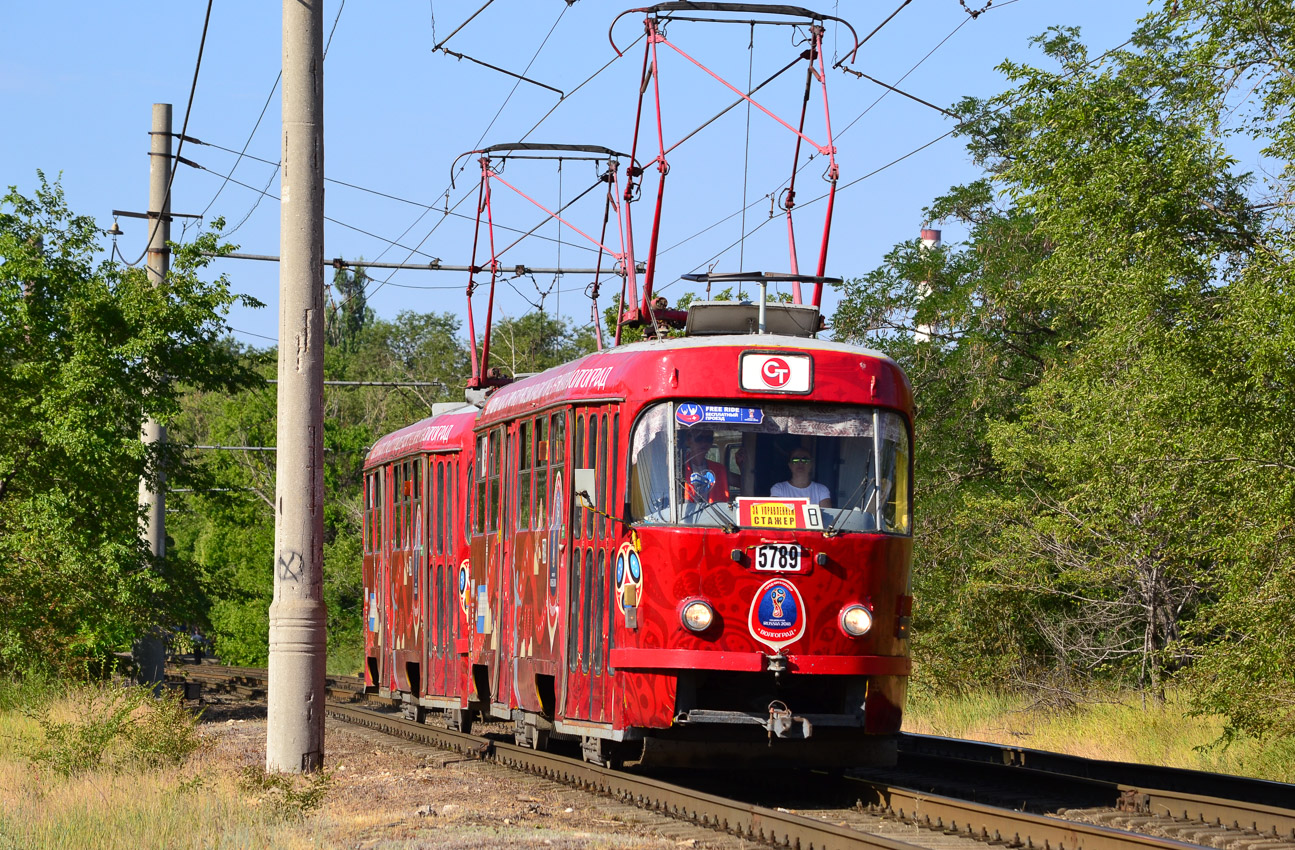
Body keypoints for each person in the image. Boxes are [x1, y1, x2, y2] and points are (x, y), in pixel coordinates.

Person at [681, 429, 730, 503]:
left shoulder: (719, 469)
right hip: (687, 510)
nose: (704, 443)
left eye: (708, 439)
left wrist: (742, 464)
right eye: (699, 438)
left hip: (715, 510)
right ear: (689, 440)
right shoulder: (679, 468)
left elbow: (742, 483)